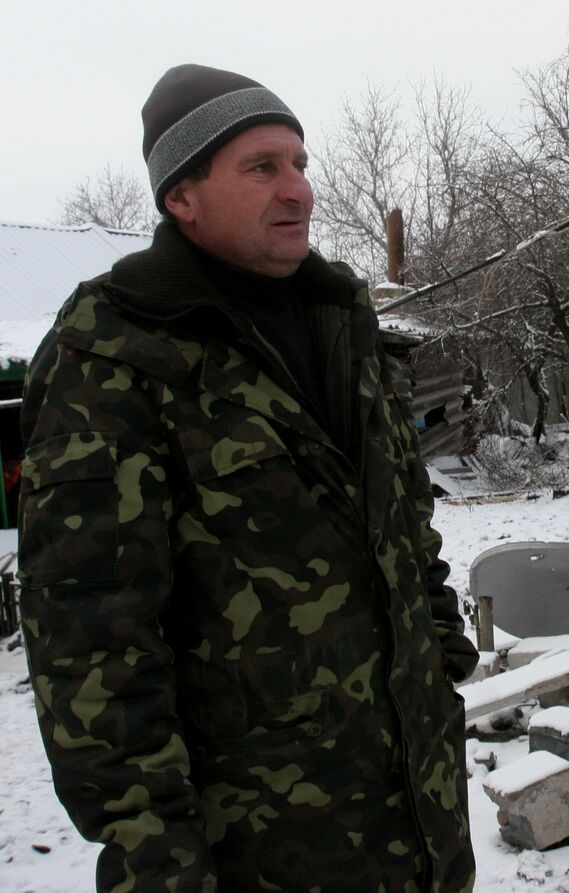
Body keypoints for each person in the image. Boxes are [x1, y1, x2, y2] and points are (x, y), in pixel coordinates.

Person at [16, 64, 478, 892]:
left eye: (300, 163)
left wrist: (440, 648)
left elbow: (401, 512)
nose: (298, 189)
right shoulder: (115, 356)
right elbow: (94, 647)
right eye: (262, 167)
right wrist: (156, 859)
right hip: (262, 847)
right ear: (180, 197)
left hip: (421, 813)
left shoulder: (340, 317)